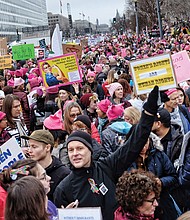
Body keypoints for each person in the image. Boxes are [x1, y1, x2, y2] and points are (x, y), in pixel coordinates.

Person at [54, 86, 160, 220]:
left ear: (90, 150)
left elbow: (133, 145)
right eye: (71, 150)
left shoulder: (106, 167)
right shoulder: (63, 189)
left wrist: (148, 113)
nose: (75, 153)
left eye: (80, 148)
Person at [21, 129, 70, 202]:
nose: (29, 150)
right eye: (29, 146)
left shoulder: (63, 174)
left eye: (34, 147)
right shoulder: (27, 170)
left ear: (47, 148)